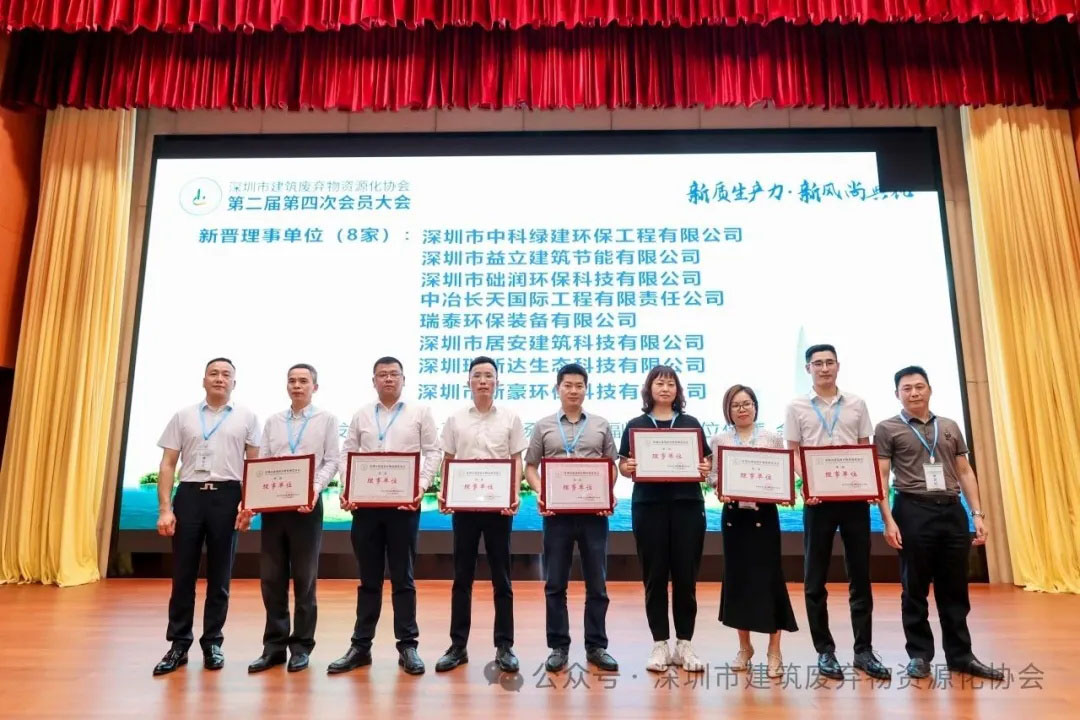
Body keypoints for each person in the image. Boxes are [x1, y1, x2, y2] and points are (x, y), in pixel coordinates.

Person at [875, 366, 1003, 681]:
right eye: (907, 388)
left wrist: (977, 514)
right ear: (897, 394)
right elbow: (881, 477)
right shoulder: (887, 428)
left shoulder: (949, 426)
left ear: (930, 389)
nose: (914, 393)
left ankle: (961, 656)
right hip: (912, 510)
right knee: (914, 588)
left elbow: (965, 471)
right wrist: (888, 520)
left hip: (951, 511)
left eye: (919, 386)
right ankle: (919, 656)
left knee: (955, 588)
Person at [328, 356, 440, 676]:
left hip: (404, 508)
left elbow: (433, 452)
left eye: (394, 374)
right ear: (373, 381)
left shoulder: (420, 412)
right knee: (369, 579)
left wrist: (420, 486)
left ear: (403, 380)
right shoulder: (362, 414)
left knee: (403, 577)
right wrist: (348, 486)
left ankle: (408, 646)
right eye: (382, 375)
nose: (388, 379)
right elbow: (347, 452)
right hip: (366, 508)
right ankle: (361, 646)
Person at [785, 344, 890, 680]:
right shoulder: (796, 406)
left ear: (838, 366)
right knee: (815, 578)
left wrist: (868, 484)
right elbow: (793, 451)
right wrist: (807, 482)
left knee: (860, 576)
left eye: (830, 362)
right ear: (808, 368)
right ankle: (825, 650)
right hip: (818, 502)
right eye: (818, 363)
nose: (824, 368)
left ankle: (864, 651)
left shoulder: (857, 403)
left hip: (854, 500)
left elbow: (864, 447)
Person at [152, 358, 260, 676]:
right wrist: (165, 509)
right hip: (189, 496)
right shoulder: (183, 416)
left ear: (234, 383)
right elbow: (168, 463)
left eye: (226, 374)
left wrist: (248, 505)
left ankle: (212, 642)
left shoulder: (247, 417)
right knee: (183, 574)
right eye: (213, 373)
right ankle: (179, 644)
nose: (219, 378)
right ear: (203, 380)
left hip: (227, 497)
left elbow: (253, 465)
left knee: (220, 575)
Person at [524, 363, 620, 673]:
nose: (574, 390)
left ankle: (596, 646)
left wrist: (606, 492)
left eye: (579, 385)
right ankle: (558, 646)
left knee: (597, 584)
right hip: (557, 516)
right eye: (568, 385)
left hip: (594, 516)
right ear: (558, 388)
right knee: (555, 583)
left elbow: (612, 466)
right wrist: (542, 492)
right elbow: (530, 467)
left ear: (586, 389)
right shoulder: (543, 426)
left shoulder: (601, 425)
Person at [245, 364, 340, 674]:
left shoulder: (326, 419)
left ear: (315, 387)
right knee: (271, 578)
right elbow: (263, 461)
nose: (297, 385)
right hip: (274, 507)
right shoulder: (274, 421)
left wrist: (314, 489)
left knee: (304, 579)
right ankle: (273, 647)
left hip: (307, 507)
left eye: (303, 381)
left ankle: (301, 647)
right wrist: (255, 498)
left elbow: (332, 460)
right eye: (292, 381)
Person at [435, 356, 528, 674]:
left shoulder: (511, 418)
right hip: (464, 508)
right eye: (478, 375)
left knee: (502, 577)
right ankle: (457, 646)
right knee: (462, 577)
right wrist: (445, 492)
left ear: (497, 382)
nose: (484, 380)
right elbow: (448, 458)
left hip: (498, 508)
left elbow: (516, 460)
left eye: (489, 375)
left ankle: (505, 646)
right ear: (469, 382)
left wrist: (513, 493)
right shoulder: (455, 419)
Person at [618, 365, 712, 673]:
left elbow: (706, 463)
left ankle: (684, 643)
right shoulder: (635, 425)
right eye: (659, 383)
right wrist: (628, 468)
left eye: (671, 384)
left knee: (686, 576)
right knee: (654, 576)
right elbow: (623, 466)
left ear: (678, 390)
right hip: (649, 506)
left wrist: (705, 468)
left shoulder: (690, 424)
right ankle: (659, 643)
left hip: (687, 506)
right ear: (649, 389)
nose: (665, 388)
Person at [710, 384, 797, 679]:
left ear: (756, 407)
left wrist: (783, 492)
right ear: (728, 410)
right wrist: (720, 487)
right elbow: (713, 477)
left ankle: (774, 651)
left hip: (764, 517)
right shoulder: (719, 439)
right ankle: (744, 648)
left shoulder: (771, 437)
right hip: (734, 518)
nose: (742, 409)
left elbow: (782, 474)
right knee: (738, 581)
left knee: (769, 579)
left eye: (747, 403)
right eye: (736, 405)